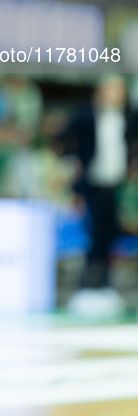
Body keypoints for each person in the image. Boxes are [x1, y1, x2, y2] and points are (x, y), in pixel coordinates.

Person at [58, 75, 138, 316]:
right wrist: (73, 165)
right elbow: (63, 140)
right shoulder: (85, 116)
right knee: (95, 234)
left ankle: (105, 283)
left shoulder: (130, 117)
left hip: (118, 185)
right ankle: (90, 285)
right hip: (92, 185)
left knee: (112, 234)